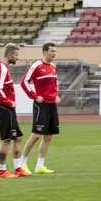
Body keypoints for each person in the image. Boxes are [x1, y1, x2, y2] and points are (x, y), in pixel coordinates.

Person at [19, 42, 60, 174]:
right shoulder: (36, 66)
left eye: (55, 51)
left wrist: (56, 95)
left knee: (48, 136)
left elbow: (55, 82)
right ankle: (22, 163)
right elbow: (24, 81)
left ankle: (40, 165)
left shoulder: (53, 66)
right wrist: (34, 96)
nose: (54, 53)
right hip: (41, 104)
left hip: (52, 105)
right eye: (52, 51)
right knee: (36, 135)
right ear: (44, 52)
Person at [0, 43, 28, 178]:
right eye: (17, 55)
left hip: (8, 108)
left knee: (18, 137)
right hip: (5, 108)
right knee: (6, 138)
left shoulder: (2, 68)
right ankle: (2, 170)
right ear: (10, 54)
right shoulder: (1, 68)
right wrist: (8, 102)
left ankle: (18, 168)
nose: (17, 58)